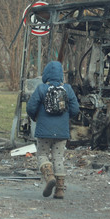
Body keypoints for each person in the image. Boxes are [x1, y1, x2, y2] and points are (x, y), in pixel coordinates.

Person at [26, 61, 79, 199]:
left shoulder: (41, 89)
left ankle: (49, 177)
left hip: (44, 130)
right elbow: (75, 109)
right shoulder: (67, 89)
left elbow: (31, 107)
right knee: (58, 158)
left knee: (42, 154)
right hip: (61, 132)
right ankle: (60, 190)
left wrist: (35, 117)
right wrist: (66, 118)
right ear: (61, 75)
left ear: (46, 74)